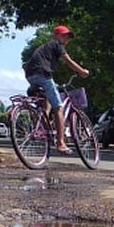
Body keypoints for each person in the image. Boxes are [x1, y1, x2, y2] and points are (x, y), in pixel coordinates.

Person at [23, 25, 89, 154]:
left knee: (48, 97)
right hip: (43, 75)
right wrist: (82, 71)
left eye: (68, 37)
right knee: (59, 108)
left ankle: (41, 123)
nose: (66, 39)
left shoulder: (44, 48)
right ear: (56, 36)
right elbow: (68, 61)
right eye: (64, 35)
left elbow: (26, 65)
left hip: (31, 76)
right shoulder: (56, 45)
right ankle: (61, 143)